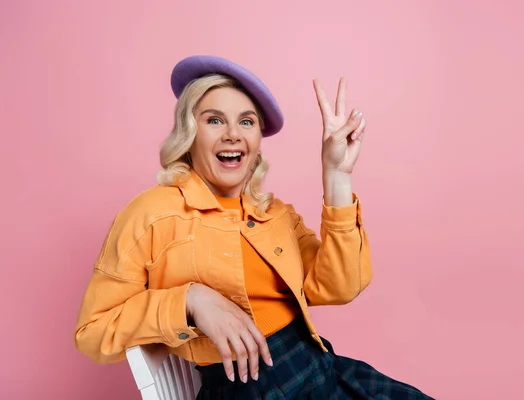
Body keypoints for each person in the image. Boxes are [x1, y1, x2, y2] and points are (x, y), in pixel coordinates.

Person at [74, 55, 434, 399]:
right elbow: (93, 332)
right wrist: (188, 300)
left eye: (246, 122)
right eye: (214, 120)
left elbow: (342, 286)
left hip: (319, 370)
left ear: (257, 140)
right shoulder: (150, 213)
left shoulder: (273, 213)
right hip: (241, 390)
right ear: (189, 132)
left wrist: (337, 175)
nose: (233, 134)